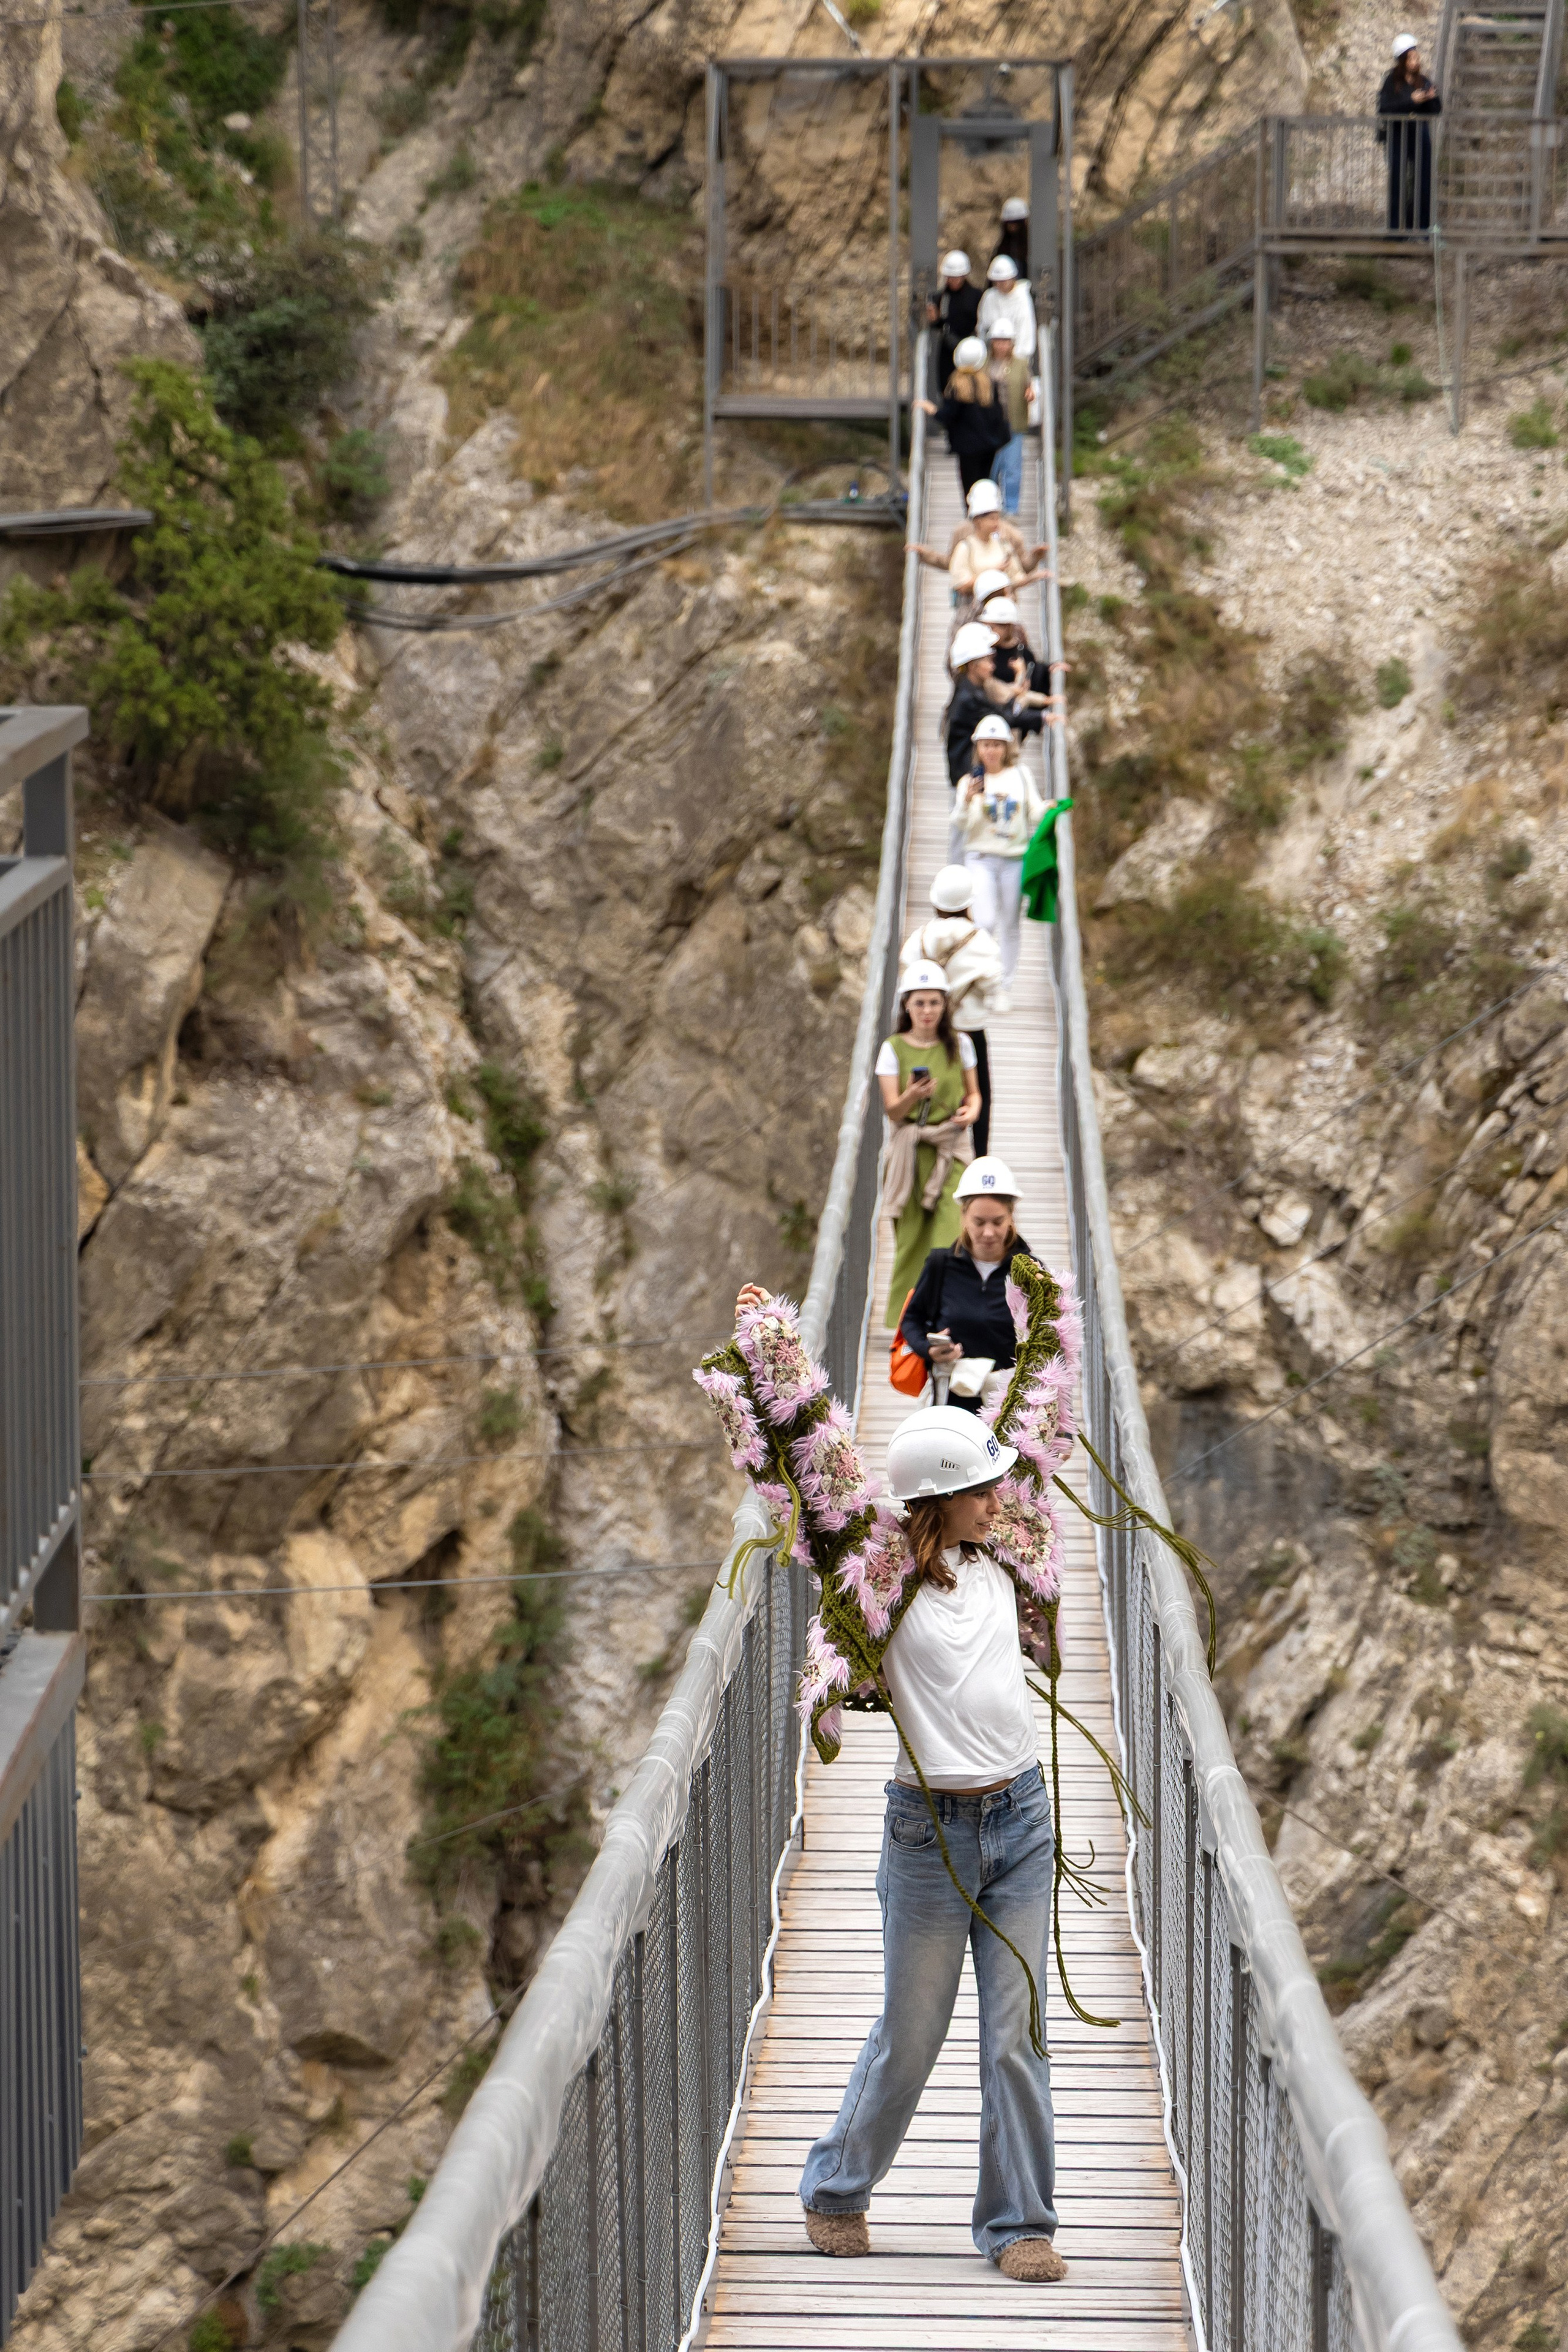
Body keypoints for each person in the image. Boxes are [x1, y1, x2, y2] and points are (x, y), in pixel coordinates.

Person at [796, 1400, 1066, 2283]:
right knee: (913, 2032)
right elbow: (811, 1494)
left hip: (1021, 1818)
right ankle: (837, 2189)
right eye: (980, 1491)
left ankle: (1019, 2224)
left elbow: (1040, 1424)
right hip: (929, 1833)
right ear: (936, 1500)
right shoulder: (880, 1585)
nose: (996, 1501)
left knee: (1016, 2033)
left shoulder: (1003, 1557)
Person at [875, 962, 980, 1327]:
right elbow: (893, 1110)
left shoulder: (960, 1044)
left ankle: (947, 1316)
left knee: (951, 1235)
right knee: (911, 1239)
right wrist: (912, 1095)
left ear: (944, 1004)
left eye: (934, 1002)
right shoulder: (892, 1049)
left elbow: (974, 1094)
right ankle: (907, 1322)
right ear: (907, 1005)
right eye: (919, 1003)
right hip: (911, 1152)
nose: (927, 1011)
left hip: (950, 1148)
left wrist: (970, 1113)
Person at [897, 1157, 1034, 1410]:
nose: (988, 1233)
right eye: (979, 1222)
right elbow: (911, 1319)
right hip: (950, 1405)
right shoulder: (940, 1265)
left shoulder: (1031, 1273)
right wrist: (928, 1349)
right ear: (963, 1217)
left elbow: (1050, 1341)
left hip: (1011, 1407)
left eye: (998, 1222)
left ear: (1011, 1217)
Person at [902, 865, 1006, 1155]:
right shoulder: (980, 941)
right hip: (969, 1028)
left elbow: (908, 973)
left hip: (929, 1030)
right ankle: (980, 1154)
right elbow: (993, 984)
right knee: (978, 1093)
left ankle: (929, 1147)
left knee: (932, 1089)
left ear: (936, 902)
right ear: (969, 903)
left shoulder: (920, 938)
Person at [957, 714, 1047, 991]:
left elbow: (1033, 812)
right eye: (986, 745)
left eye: (997, 745)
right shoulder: (969, 782)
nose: (991, 751)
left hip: (1014, 858)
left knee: (1010, 923)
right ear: (978, 747)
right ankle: (984, 978)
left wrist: (1050, 809)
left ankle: (1005, 985)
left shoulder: (1021, 775)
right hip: (980, 857)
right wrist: (968, 801)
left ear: (1006, 747)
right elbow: (961, 824)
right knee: (984, 921)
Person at [915, 337, 1011, 500]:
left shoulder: (957, 386)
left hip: (967, 447)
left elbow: (948, 415)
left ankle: (972, 513)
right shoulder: (989, 384)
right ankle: (988, 510)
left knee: (969, 488)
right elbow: (997, 414)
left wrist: (932, 410)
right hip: (989, 445)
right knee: (986, 483)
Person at [1378, 34, 1441, 233]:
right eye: (1411, 58)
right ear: (1403, 60)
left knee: (1423, 182)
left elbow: (1436, 109)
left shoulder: (1422, 81)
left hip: (1420, 136)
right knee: (1398, 182)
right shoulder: (1391, 82)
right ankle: (1396, 230)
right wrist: (1411, 102)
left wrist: (1430, 98)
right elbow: (1385, 109)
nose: (1416, 61)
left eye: (1416, 57)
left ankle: (1423, 229)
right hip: (1398, 136)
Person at [984, 319, 1038, 517]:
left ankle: (1012, 508)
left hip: (1013, 423)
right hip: (989, 424)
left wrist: (1030, 393)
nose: (1001, 345)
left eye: (1005, 341)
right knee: (991, 468)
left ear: (1012, 343)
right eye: (998, 341)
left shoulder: (1021, 364)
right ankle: (990, 508)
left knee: (1012, 467)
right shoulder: (983, 364)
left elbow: (1029, 385)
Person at [927, 250, 982, 390]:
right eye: (950, 277)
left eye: (957, 277)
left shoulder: (976, 296)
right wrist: (935, 320)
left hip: (970, 349)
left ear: (964, 276)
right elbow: (940, 325)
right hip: (948, 350)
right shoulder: (942, 297)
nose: (953, 280)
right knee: (947, 387)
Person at [978, 254, 1037, 363]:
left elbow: (1026, 331)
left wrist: (1018, 358)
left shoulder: (1022, 298)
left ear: (1012, 278)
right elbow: (983, 327)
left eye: (1003, 281)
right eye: (997, 281)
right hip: (993, 358)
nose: (999, 284)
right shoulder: (989, 297)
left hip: (1016, 357)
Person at [993, 194, 1030, 279]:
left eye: (1016, 223)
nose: (1013, 227)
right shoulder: (1003, 248)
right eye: (1010, 224)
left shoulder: (1031, 246)